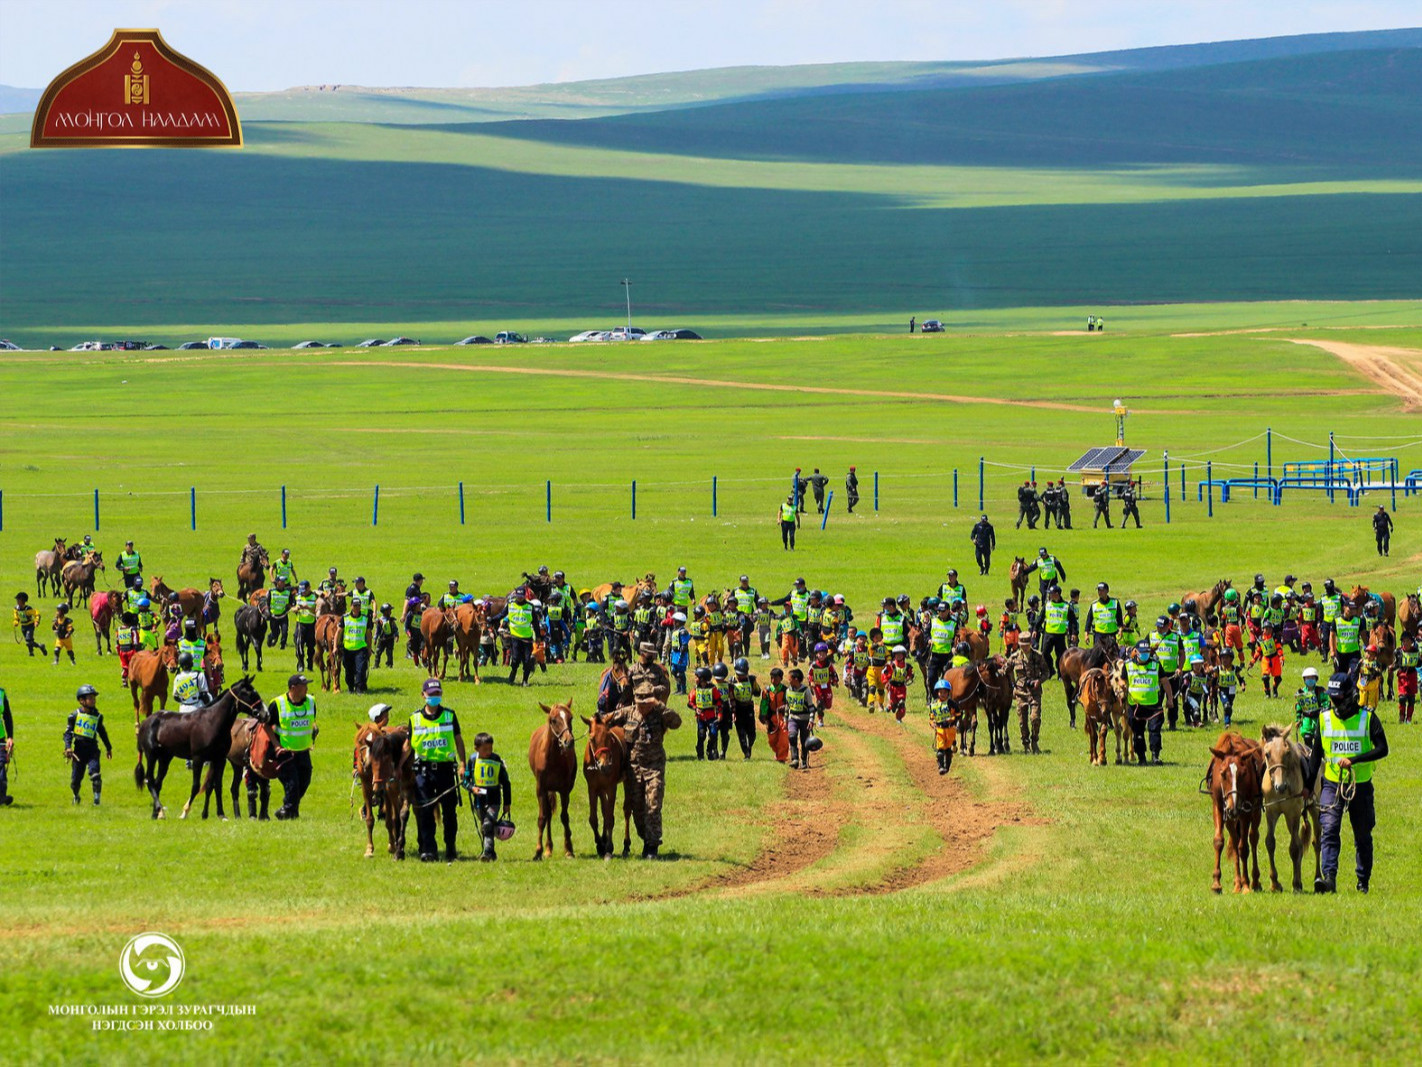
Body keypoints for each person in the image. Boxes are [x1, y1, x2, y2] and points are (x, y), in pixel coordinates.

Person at [1305, 669, 1389, 892]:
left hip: (1359, 785)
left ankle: (1363, 880)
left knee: (1362, 835)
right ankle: (1329, 878)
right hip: (1332, 783)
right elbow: (1315, 756)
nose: (1335, 703)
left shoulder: (1368, 718)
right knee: (1329, 829)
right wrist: (1307, 787)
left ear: (1351, 695)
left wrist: (1354, 760)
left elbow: (1383, 749)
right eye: (1332, 698)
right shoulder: (1324, 719)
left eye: (1339, 698)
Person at [603, 682, 682, 858]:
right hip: (634, 769)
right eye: (639, 700)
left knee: (652, 806)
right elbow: (607, 719)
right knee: (637, 809)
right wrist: (596, 722)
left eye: (646, 701)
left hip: (654, 768)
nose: (643, 704)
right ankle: (646, 839)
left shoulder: (659, 713)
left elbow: (677, 722)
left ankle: (652, 847)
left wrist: (660, 706)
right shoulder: (629, 712)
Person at [410, 678, 466, 863]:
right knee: (425, 812)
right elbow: (407, 746)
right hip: (423, 771)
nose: (435, 697)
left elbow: (458, 740)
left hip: (445, 770)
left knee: (449, 812)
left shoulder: (450, 715)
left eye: (437, 694)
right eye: (431, 694)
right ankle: (429, 850)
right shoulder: (414, 718)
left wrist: (463, 763)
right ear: (423, 695)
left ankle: (451, 848)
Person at [271, 673, 317, 820]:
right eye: (304, 686)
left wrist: (313, 730)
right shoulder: (277, 704)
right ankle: (290, 814)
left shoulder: (310, 701)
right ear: (293, 688)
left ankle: (286, 809)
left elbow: (312, 720)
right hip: (286, 752)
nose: (307, 689)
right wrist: (276, 745)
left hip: (303, 751)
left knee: (305, 780)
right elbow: (265, 725)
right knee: (292, 784)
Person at [463, 732, 511, 861]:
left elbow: (506, 783)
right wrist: (472, 788)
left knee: (488, 823)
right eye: (485, 750)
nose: (488, 752)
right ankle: (491, 852)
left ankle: (488, 853)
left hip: (494, 799)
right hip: (479, 801)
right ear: (476, 748)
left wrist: (507, 804)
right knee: (485, 826)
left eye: (490, 749)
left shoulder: (496, 760)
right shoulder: (472, 760)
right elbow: (465, 780)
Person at [63, 684, 112, 805]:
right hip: (78, 753)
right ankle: (76, 795)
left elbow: (102, 732)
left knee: (95, 776)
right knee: (75, 781)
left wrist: (108, 748)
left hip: (92, 751)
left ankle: (97, 801)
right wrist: (68, 747)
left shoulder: (97, 716)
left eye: (94, 698)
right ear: (82, 701)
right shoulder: (74, 716)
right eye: (90, 698)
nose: (93, 700)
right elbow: (68, 733)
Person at [1125, 640, 1171, 765]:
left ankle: (1155, 756)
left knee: (1154, 730)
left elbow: (1165, 682)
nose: (1145, 655)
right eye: (1142, 652)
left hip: (1153, 705)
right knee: (1138, 733)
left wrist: (1170, 699)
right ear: (1136, 652)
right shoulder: (1128, 665)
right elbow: (1122, 683)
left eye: (1147, 652)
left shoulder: (1156, 665)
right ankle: (1141, 758)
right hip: (1135, 706)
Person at [1009, 640, 1048, 753]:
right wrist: (1012, 685)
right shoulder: (1014, 657)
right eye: (1022, 645)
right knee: (1023, 721)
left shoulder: (1038, 656)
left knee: (1035, 718)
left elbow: (1046, 672)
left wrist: (1039, 681)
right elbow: (1006, 670)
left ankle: (1034, 742)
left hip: (1035, 693)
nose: (1025, 648)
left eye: (1026, 645)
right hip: (1021, 693)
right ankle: (1026, 744)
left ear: (1030, 644)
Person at [783, 668, 817, 770]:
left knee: (804, 741)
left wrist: (811, 721)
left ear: (796, 679)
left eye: (790, 679)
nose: (788, 681)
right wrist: (785, 720)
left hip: (805, 720)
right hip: (793, 718)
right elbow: (787, 706)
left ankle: (803, 760)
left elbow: (811, 707)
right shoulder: (788, 691)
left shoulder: (806, 691)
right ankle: (794, 759)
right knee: (792, 736)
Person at [688, 666, 721, 760]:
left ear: (702, 678)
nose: (695, 679)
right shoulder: (695, 689)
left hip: (711, 716)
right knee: (701, 735)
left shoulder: (713, 689)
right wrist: (695, 708)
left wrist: (719, 714)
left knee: (713, 734)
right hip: (701, 717)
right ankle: (700, 755)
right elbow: (690, 702)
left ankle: (710, 750)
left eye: (697, 677)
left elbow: (719, 701)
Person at [505, 590, 537, 686]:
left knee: (527, 660)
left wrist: (538, 636)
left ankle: (525, 680)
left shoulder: (530, 607)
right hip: (515, 637)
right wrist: (492, 620)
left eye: (521, 596)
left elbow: (535, 622)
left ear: (524, 596)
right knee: (515, 659)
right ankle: (513, 671)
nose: (520, 597)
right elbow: (502, 615)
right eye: (518, 596)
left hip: (527, 638)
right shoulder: (510, 605)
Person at [1085, 582, 1123, 659]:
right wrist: (1086, 634)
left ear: (1107, 591)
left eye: (1102, 590)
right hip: (1099, 635)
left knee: (1112, 655)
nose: (1100, 592)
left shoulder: (1115, 603)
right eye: (1098, 590)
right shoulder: (1094, 605)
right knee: (1097, 656)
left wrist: (1120, 630)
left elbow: (1119, 618)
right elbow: (1089, 620)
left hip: (1111, 634)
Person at [1039, 586, 1070, 678]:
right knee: (1044, 653)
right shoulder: (1047, 605)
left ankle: (1061, 674)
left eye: (1051, 593)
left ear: (1057, 594)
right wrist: (1036, 629)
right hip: (1048, 634)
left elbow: (1072, 621)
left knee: (1060, 655)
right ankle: (1050, 670)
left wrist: (1074, 633)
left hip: (1060, 635)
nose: (1049, 595)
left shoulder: (1066, 606)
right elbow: (1040, 618)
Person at [341, 598, 371, 694]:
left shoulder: (365, 618)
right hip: (348, 649)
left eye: (358, 606)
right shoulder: (345, 618)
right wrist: (335, 647)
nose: (357, 608)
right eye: (355, 606)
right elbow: (339, 631)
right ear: (351, 606)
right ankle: (350, 687)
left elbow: (369, 634)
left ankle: (359, 688)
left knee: (361, 669)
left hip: (360, 648)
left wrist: (369, 648)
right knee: (348, 670)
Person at [1330, 599, 1365, 676]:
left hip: (1354, 653)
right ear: (1344, 608)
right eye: (1350, 608)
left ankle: (1353, 688)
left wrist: (1369, 649)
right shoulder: (1336, 621)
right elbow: (1332, 636)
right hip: (1341, 653)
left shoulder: (1358, 621)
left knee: (1354, 673)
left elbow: (1364, 637)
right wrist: (1332, 650)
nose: (1352, 610)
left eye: (1353, 608)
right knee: (1341, 676)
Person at [293, 580, 318, 671]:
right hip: (300, 624)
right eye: (301, 590)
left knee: (311, 647)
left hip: (311, 624)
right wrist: (296, 609)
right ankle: (300, 664)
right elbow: (293, 608)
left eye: (304, 590)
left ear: (309, 588)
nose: (303, 592)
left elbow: (317, 611)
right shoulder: (297, 597)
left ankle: (310, 664)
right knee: (299, 644)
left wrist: (308, 607)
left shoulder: (314, 597)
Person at [13, 592, 46, 657]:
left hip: (30, 626)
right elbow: (16, 616)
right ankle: (40, 646)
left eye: (18, 600)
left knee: (28, 640)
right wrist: (16, 621)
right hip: (23, 626)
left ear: (23, 601)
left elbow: (37, 614)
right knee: (30, 641)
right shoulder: (16, 608)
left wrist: (37, 621)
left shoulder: (28, 609)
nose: (17, 601)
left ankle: (31, 653)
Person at [1396, 632, 1418, 724]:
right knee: (1402, 698)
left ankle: (1409, 718)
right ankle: (1402, 716)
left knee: (1411, 699)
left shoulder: (1415, 651)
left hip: (1412, 677)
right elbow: (1397, 663)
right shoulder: (1399, 652)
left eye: (1408, 641)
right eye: (1404, 641)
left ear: (1411, 642)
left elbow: (1419, 662)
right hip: (1402, 677)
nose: (1406, 643)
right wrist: (1391, 668)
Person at [266, 576, 293, 650]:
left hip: (283, 616)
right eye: (282, 582)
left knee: (284, 631)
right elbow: (267, 603)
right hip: (274, 616)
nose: (284, 583)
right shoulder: (271, 592)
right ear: (277, 583)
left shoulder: (288, 592)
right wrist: (269, 613)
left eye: (284, 582)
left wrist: (291, 607)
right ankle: (270, 637)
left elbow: (291, 603)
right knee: (275, 633)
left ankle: (282, 646)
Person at [373, 603, 398, 669]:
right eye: (389, 610)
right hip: (382, 639)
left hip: (390, 639)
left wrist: (396, 635)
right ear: (385, 611)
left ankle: (389, 664)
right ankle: (376, 664)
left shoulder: (391, 620)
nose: (390, 612)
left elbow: (395, 628)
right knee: (378, 652)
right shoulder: (380, 621)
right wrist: (375, 638)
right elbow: (377, 630)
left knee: (389, 652)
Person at [0, 683, 13, 806]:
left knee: (1, 764)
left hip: (0, 737)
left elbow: (7, 716)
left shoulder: (1, 694)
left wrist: (10, 737)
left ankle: (2, 796)